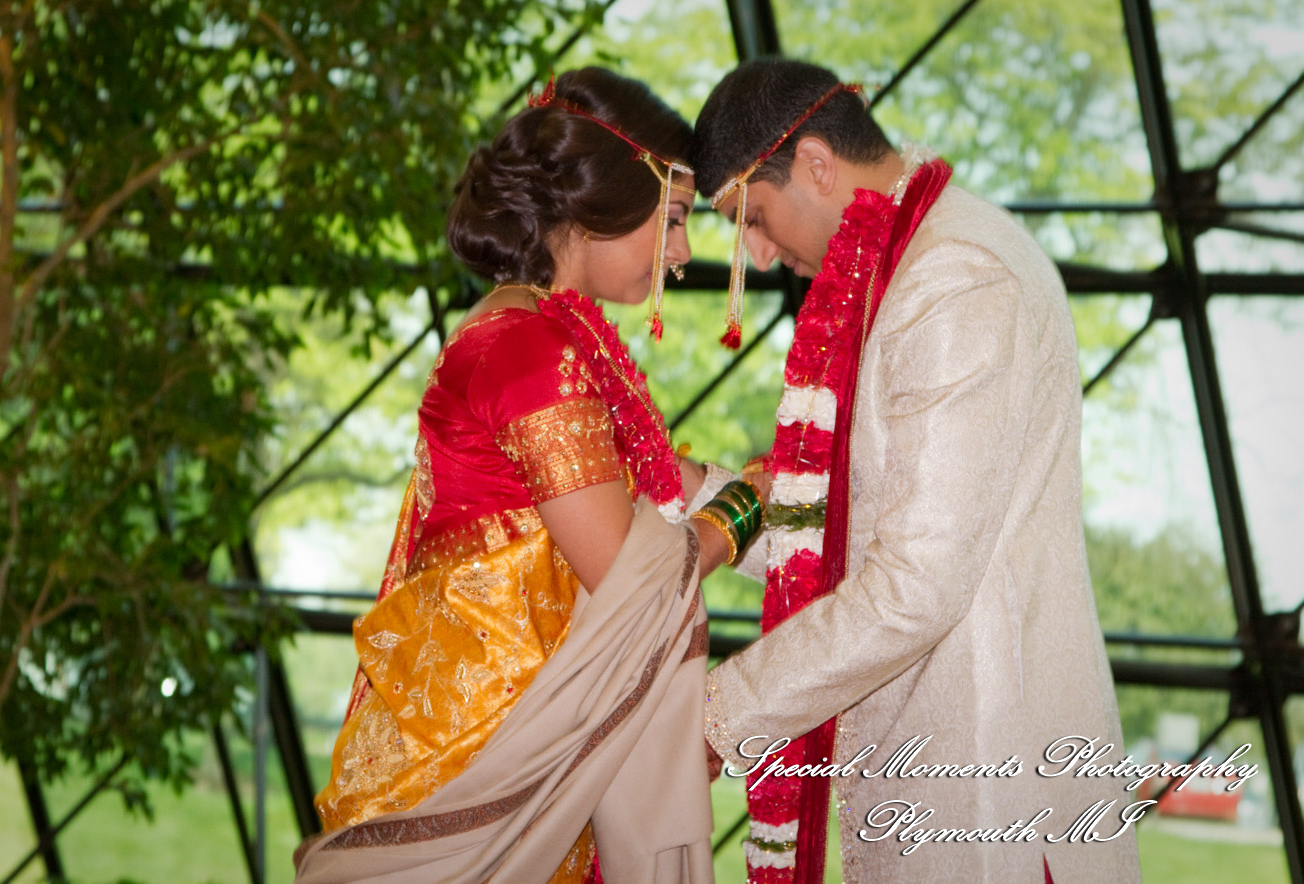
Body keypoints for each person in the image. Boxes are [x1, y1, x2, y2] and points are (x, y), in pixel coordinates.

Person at [294, 67, 765, 884]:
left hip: (522, 754)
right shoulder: (528, 350)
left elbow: (655, 478)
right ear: (602, 200)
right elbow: (628, 577)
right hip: (488, 766)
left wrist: (784, 486)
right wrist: (745, 512)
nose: (684, 254)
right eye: (678, 219)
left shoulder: (538, 332)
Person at [689, 59, 1141, 884]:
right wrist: (678, 485)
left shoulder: (952, 277)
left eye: (751, 216)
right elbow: (832, 539)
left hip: (991, 789)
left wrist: (713, 719)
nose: (754, 253)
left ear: (817, 164)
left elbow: (913, 585)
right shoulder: (897, 265)